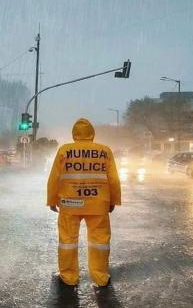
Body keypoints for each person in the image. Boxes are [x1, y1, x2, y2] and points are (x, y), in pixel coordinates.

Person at [47, 118, 121, 287]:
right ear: (92, 133)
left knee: (67, 241)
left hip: (70, 204)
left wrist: (52, 200)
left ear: (74, 133)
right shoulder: (105, 151)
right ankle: (100, 276)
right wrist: (113, 200)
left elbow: (54, 178)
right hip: (98, 204)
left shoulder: (64, 151)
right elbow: (114, 179)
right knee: (100, 242)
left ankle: (69, 277)